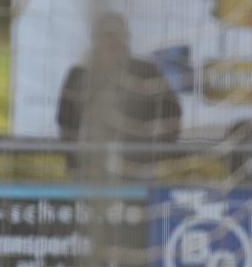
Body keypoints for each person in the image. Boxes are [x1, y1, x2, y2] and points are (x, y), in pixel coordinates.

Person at [56, 13, 182, 178]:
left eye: (117, 36)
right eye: (106, 36)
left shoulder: (147, 72)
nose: (112, 42)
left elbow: (172, 116)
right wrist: (76, 164)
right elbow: (66, 125)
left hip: (139, 172)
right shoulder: (78, 76)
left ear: (127, 38)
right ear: (94, 39)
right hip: (92, 173)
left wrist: (152, 161)